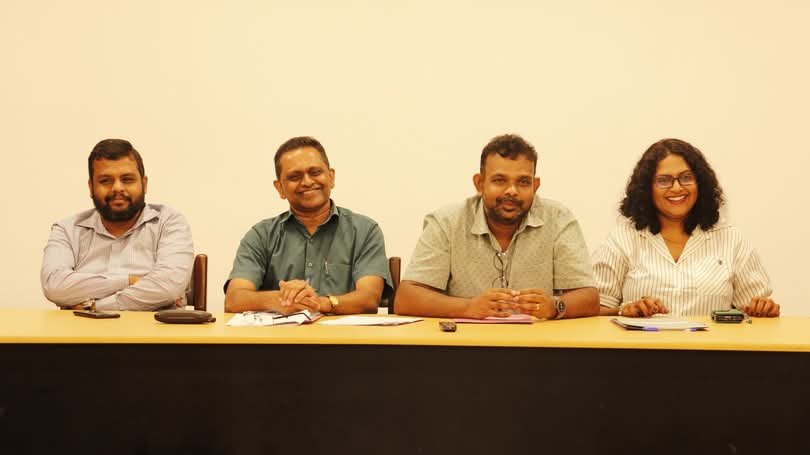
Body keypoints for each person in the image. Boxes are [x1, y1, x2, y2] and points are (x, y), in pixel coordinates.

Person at [395, 134, 599, 319]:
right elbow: (406, 299)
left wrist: (555, 306)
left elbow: (589, 297)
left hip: (538, 344)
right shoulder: (447, 222)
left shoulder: (558, 219)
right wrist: (468, 308)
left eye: (523, 182)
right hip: (465, 343)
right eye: (500, 181)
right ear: (479, 183)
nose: (512, 191)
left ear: (535, 186)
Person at [593, 138, 779, 318]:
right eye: (663, 180)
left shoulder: (731, 239)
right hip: (642, 341)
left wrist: (764, 309)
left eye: (686, 178)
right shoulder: (623, 239)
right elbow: (594, 312)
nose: (676, 188)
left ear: (700, 183)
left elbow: (755, 313)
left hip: (712, 341)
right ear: (647, 188)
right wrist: (624, 311)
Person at [224, 136, 392, 314]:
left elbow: (368, 299)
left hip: (343, 332)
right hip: (281, 332)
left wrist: (320, 303)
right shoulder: (261, 235)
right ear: (280, 188)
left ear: (331, 177)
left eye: (315, 172)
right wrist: (282, 298)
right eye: (294, 177)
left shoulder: (364, 231)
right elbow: (234, 299)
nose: (307, 182)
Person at [41, 139, 194, 311]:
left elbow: (167, 287)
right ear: (91, 187)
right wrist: (129, 281)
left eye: (127, 179)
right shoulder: (67, 230)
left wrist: (95, 306)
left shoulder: (169, 222)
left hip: (152, 328)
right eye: (105, 181)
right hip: (81, 328)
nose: (117, 188)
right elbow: (54, 286)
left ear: (144, 184)